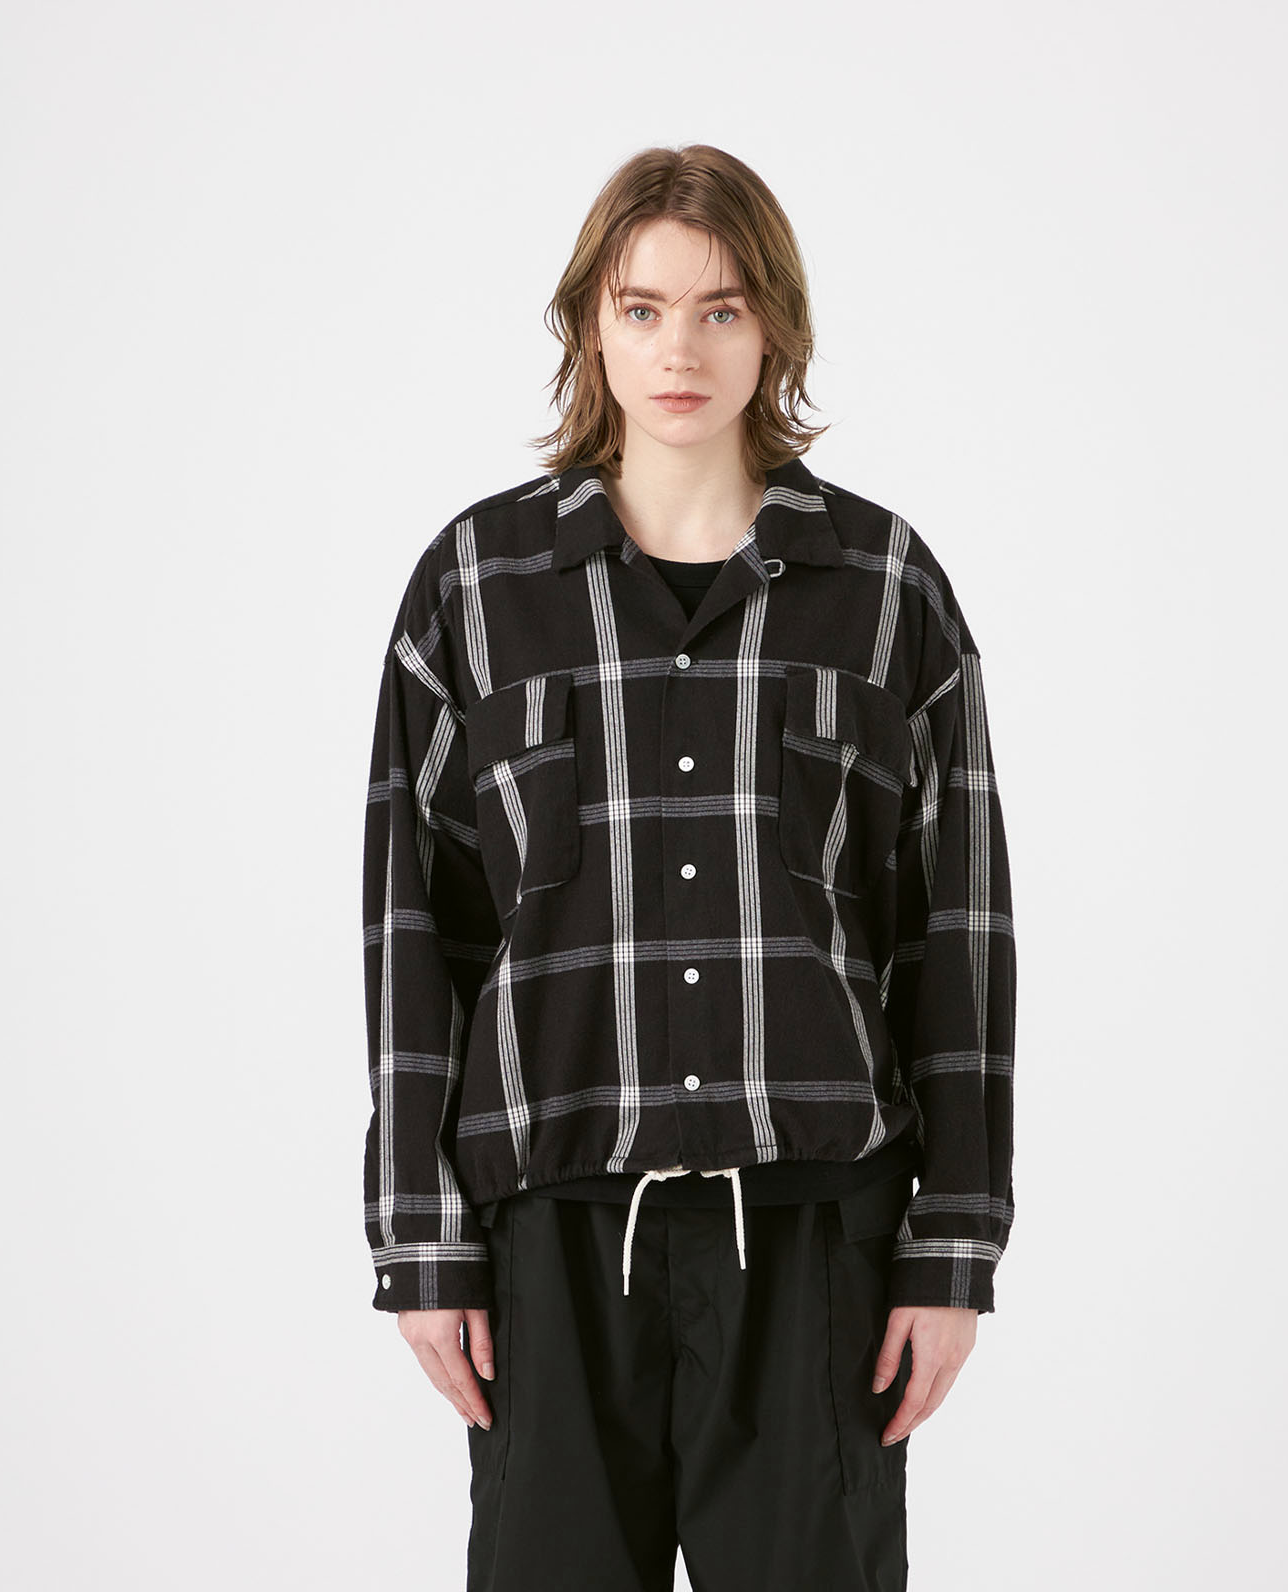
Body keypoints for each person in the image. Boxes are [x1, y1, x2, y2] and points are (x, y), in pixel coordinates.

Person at [360, 144, 1017, 1592]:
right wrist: (422, 1240)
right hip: (551, 1243)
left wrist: (953, 1245)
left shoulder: (885, 587)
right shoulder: (475, 586)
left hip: (817, 1238)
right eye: (643, 308)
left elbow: (953, 936)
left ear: (774, 326)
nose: (681, 350)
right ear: (590, 326)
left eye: (722, 310)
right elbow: (418, 933)